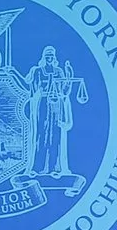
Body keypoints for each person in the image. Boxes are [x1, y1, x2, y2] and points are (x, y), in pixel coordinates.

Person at [25, 45, 87, 178]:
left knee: (56, 135)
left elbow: (64, 91)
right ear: (44, 57)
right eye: (47, 56)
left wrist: (69, 75)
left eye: (51, 56)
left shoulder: (59, 71)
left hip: (56, 105)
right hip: (43, 103)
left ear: (54, 58)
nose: (49, 59)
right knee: (41, 135)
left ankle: (55, 167)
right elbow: (33, 88)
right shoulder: (38, 71)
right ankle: (38, 167)